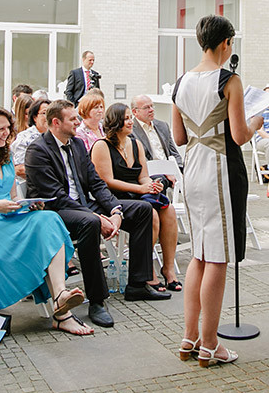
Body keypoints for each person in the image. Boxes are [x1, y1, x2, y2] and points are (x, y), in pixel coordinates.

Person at [26, 100, 167, 328]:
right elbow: (55, 196)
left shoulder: (77, 145)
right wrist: (99, 217)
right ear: (56, 122)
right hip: (56, 213)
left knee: (142, 210)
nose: (78, 122)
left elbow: (96, 183)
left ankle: (137, 284)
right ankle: (97, 300)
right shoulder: (38, 150)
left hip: (83, 206)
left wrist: (115, 209)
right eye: (72, 119)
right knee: (90, 222)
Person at [171, 14, 261, 367]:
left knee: (199, 254)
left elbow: (179, 138)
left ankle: (189, 337)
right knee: (219, 257)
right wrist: (255, 121)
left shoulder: (180, 82)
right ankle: (210, 345)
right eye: (232, 43)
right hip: (221, 169)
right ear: (225, 43)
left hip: (192, 168)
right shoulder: (230, 80)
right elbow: (239, 136)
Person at [0, 104, 95, 334]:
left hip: (7, 220)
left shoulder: (5, 156)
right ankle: (63, 313)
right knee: (46, 230)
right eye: (0, 129)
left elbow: (12, 198)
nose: (6, 134)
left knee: (48, 219)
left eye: (8, 129)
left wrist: (27, 206)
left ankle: (61, 294)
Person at [91, 103, 181, 291]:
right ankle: (148, 271)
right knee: (152, 215)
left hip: (138, 195)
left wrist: (150, 185)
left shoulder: (135, 143)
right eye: (126, 118)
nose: (131, 121)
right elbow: (106, 181)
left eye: (130, 118)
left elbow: (143, 175)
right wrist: (141, 189)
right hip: (114, 199)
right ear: (115, 122)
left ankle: (168, 269)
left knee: (169, 211)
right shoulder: (102, 146)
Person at [130, 94, 184, 173]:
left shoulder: (163, 126)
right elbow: (140, 160)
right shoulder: (130, 131)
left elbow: (174, 153)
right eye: (146, 107)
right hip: (151, 174)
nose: (151, 110)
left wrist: (179, 170)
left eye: (152, 106)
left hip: (171, 171)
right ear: (135, 112)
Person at [13, 97, 50, 178]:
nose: (48, 117)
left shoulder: (56, 136)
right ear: (35, 117)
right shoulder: (24, 137)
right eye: (44, 113)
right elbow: (19, 169)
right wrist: (46, 173)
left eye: (50, 113)